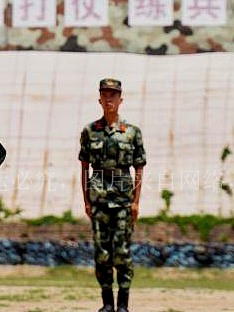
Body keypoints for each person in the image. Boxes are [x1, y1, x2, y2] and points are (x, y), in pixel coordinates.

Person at [80, 78, 146, 312]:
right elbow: (84, 166)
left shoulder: (132, 133)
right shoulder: (90, 131)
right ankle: (107, 303)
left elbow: (139, 167)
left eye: (113, 95)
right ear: (99, 99)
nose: (109, 99)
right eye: (105, 94)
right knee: (102, 252)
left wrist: (136, 202)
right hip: (98, 199)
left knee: (122, 252)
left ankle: (123, 304)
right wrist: (86, 200)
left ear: (120, 100)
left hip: (123, 200)